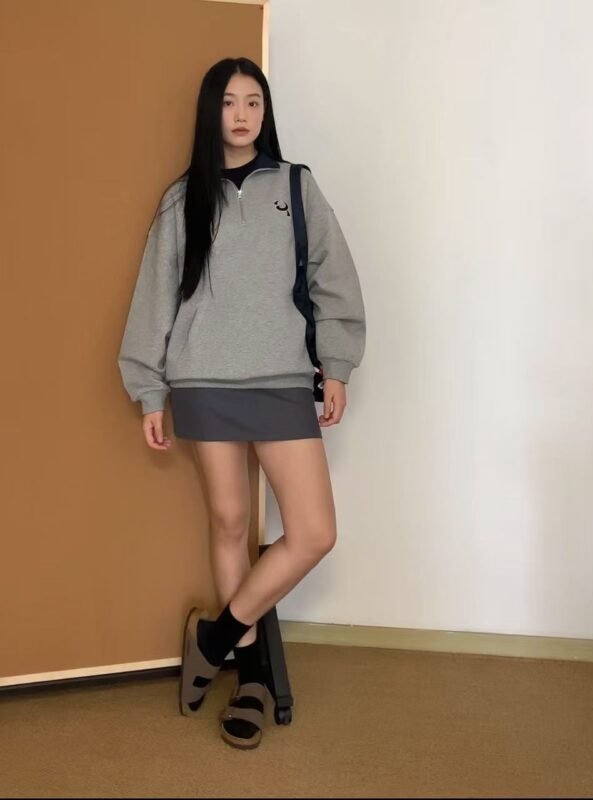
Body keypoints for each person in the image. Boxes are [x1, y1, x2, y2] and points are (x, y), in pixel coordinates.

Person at [117, 57, 366, 750]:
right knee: (229, 523)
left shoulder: (296, 186)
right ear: (212, 111)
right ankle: (250, 676)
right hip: (203, 381)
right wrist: (148, 389)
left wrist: (337, 364)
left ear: (265, 112)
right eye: (230, 102)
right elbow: (155, 297)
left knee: (313, 532)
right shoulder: (182, 199)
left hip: (281, 378)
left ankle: (214, 638)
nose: (242, 115)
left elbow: (334, 278)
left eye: (254, 102)